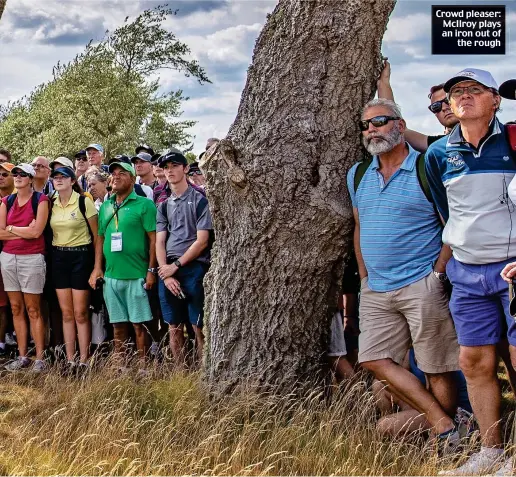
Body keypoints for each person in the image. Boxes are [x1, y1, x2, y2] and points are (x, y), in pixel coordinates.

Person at [347, 98, 461, 448]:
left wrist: (437, 273)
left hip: (421, 284)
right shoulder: (359, 173)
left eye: (379, 121)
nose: (371, 130)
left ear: (399, 125)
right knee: (373, 359)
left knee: (435, 366)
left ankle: (446, 436)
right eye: (366, 125)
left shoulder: (427, 168)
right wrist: (364, 277)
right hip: (376, 289)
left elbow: (451, 226)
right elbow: (358, 226)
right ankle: (445, 423)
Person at [425, 68, 516, 476]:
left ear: (495, 100)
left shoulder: (514, 140)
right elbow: (446, 211)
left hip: (513, 270)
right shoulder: (438, 155)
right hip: (468, 272)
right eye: (456, 91)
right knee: (474, 363)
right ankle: (491, 453)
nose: (463, 96)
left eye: (474, 89)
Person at [89, 161, 157, 371]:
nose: (116, 177)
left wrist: (151, 270)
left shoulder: (144, 204)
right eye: (113, 174)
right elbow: (100, 238)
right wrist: (97, 268)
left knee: (139, 326)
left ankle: (144, 368)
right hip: (111, 276)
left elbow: (154, 240)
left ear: (133, 178)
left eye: (122, 173)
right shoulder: (107, 206)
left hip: (136, 274)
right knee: (117, 325)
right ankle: (122, 367)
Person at [156, 150, 213, 366]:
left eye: (174, 166)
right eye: (166, 167)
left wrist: (176, 266)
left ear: (185, 168)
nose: (169, 170)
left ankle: (203, 373)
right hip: (168, 269)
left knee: (198, 325)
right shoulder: (162, 205)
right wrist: (166, 271)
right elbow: (159, 242)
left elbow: (202, 241)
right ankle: (180, 376)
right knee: (173, 326)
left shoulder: (200, 200)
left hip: (194, 268)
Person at [0, 164, 50, 372]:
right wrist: (20, 230)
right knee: (16, 308)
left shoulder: (41, 200)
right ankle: (22, 357)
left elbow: (37, 232)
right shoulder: (6, 201)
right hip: (8, 257)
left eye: (23, 174)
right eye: (15, 174)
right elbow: (0, 233)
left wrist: (10, 229)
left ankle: (39, 358)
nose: (18, 177)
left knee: (33, 309)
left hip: (32, 258)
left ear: (30, 178)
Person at [49, 167, 98, 371]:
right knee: (66, 313)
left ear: (71, 180)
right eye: (56, 177)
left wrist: (97, 267)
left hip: (81, 256)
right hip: (59, 257)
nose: (58, 180)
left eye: (63, 177)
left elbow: (97, 237)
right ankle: (70, 359)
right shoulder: (50, 201)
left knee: (80, 313)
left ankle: (84, 360)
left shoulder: (83, 200)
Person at [373, 349, 473, 439]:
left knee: (383, 425)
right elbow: (398, 378)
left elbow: (446, 402)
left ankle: (438, 439)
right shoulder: (412, 349)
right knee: (380, 384)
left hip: (451, 411)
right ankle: (406, 436)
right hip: (427, 401)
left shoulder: (437, 353)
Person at [377, 60, 459, 152]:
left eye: (447, 101)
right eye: (436, 106)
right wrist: (383, 82)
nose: (444, 108)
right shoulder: (439, 146)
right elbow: (397, 128)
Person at [0, 162, 15, 356]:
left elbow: (36, 232)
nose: (1, 177)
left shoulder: (21, 200)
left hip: (19, 256)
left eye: (6, 174)